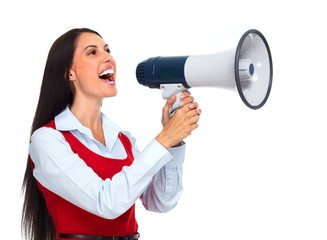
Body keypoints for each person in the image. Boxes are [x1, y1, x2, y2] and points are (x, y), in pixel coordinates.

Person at [21, 28, 201, 240]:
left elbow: (160, 202)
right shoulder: (48, 140)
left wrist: (174, 142)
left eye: (107, 50)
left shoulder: (123, 140)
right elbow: (106, 202)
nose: (108, 57)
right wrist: (165, 138)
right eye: (92, 52)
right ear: (70, 73)